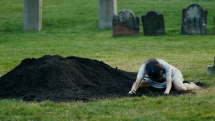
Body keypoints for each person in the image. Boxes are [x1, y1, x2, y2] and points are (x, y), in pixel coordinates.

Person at [129, 58, 202, 95]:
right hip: (155, 80)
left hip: (173, 75)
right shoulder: (144, 67)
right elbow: (137, 82)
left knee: (180, 88)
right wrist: (133, 91)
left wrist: (166, 92)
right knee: (142, 84)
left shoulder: (166, 66)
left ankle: (193, 85)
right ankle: (161, 86)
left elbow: (168, 81)